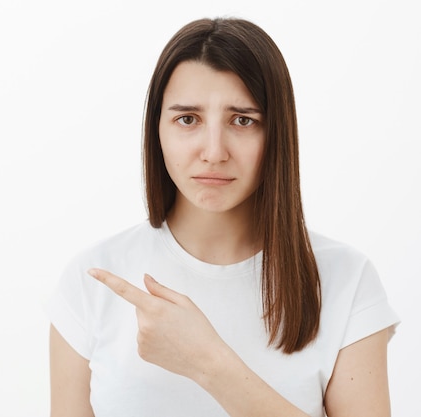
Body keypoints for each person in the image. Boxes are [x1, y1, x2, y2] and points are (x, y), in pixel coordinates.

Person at [46, 17, 400, 417]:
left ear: (277, 133)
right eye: (188, 119)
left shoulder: (344, 281)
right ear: (156, 129)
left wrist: (208, 363)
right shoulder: (93, 280)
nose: (214, 151)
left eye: (242, 120)